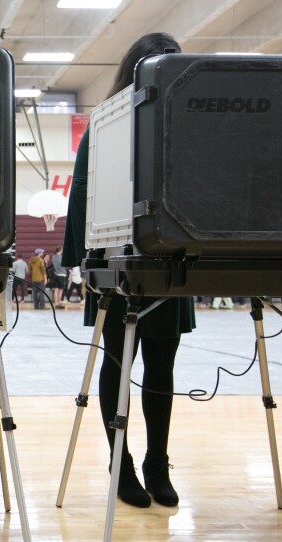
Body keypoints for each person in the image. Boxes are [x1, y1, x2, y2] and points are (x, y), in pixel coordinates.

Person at [62, 32, 195, 509]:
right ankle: (121, 467)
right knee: (117, 367)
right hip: (117, 264)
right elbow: (81, 191)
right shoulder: (107, 123)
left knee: (162, 366)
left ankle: (157, 465)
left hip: (172, 262)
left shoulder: (186, 124)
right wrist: (85, 262)